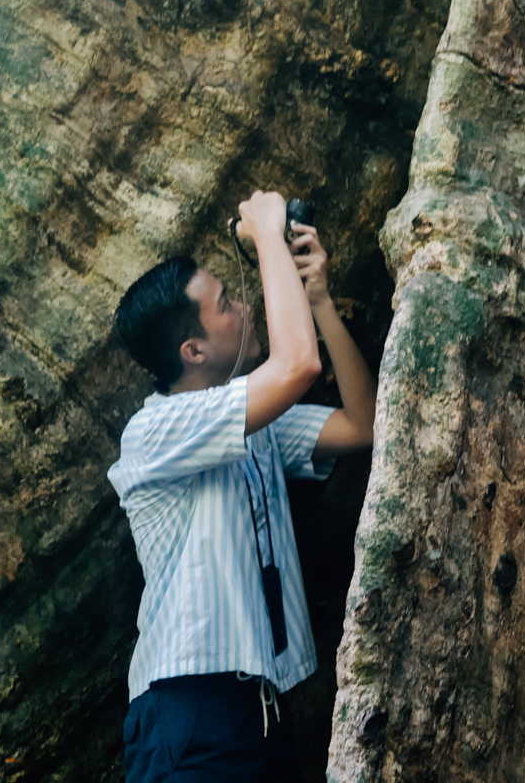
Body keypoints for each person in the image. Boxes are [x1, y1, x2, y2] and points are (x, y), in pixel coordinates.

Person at [108, 190, 377, 782]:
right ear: (194, 349)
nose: (245, 305)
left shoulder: (256, 428)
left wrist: (320, 300)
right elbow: (297, 366)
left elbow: (362, 425)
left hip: (262, 711)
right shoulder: (154, 431)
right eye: (226, 303)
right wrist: (265, 234)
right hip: (189, 714)